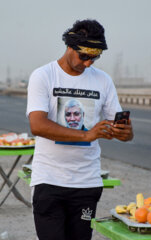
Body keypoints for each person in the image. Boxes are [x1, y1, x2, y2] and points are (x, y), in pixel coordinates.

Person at [26, 19, 134, 240]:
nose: (87, 63)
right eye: (83, 56)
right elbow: (37, 125)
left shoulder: (103, 81)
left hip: (87, 184)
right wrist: (87, 134)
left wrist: (124, 133)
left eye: (94, 58)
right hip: (49, 181)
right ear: (69, 45)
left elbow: (122, 128)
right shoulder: (43, 75)